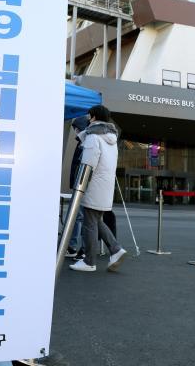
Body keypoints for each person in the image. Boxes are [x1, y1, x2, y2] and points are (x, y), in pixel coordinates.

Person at [69, 105, 128, 273]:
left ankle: (89, 261)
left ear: (94, 117)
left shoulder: (93, 136)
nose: (88, 119)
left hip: (93, 185)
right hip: (105, 186)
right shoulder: (111, 138)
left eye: (89, 116)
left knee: (90, 224)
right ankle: (115, 249)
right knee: (96, 220)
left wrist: (80, 186)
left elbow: (88, 164)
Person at [64, 115, 91, 261]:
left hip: (82, 185)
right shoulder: (81, 142)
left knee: (79, 217)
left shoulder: (86, 142)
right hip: (80, 185)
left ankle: (78, 248)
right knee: (78, 217)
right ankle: (75, 247)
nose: (75, 131)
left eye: (76, 129)